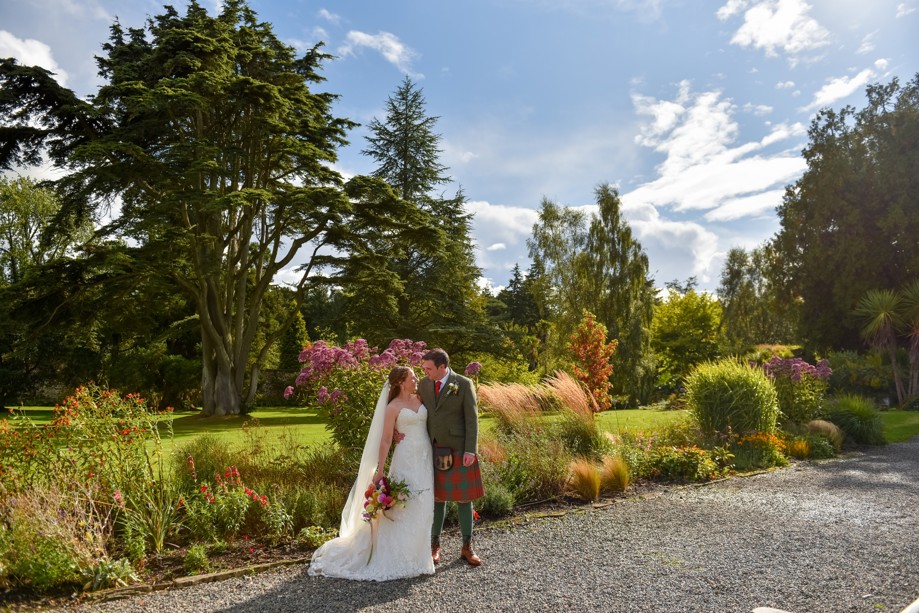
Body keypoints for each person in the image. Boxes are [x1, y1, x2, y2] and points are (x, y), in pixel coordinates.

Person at [307, 366, 435, 581]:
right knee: (403, 507)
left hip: (425, 458)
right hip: (405, 459)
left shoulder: (421, 398)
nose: (416, 379)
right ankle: (398, 557)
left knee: (423, 506)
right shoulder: (392, 407)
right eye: (413, 377)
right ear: (402, 382)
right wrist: (381, 469)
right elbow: (385, 440)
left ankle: (419, 557)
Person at [418, 348, 485, 567]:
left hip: (458, 449)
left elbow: (472, 419)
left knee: (464, 499)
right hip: (434, 448)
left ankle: (467, 547)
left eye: (428, 368)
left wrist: (470, 450)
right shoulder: (424, 384)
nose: (425, 372)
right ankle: (434, 546)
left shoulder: (463, 384)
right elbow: (415, 410)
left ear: (442, 367)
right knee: (437, 499)